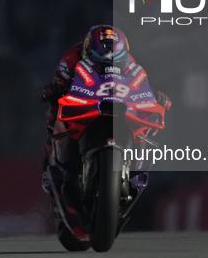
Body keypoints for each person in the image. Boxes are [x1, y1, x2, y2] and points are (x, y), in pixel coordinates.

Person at [41, 25, 171, 193]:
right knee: (54, 114)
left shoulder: (129, 62)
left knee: (144, 125)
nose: (109, 56)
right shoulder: (70, 58)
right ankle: (50, 164)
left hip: (114, 102)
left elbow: (136, 84)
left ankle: (134, 167)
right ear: (88, 48)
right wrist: (56, 88)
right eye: (102, 51)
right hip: (84, 99)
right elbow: (59, 82)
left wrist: (155, 96)